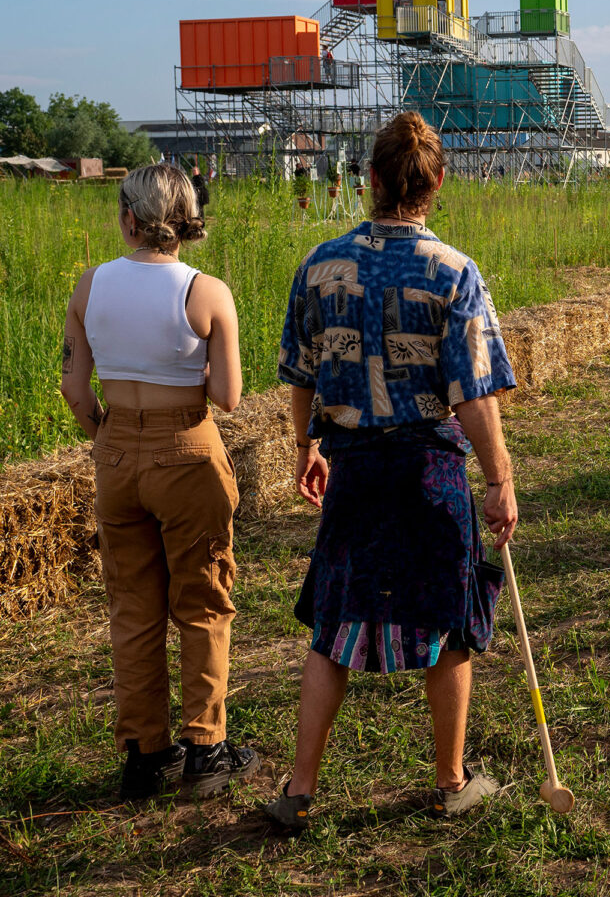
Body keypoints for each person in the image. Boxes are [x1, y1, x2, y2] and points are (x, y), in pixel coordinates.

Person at [267, 112, 518, 832]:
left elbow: (300, 373)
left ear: (369, 179)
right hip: (428, 470)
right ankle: (451, 780)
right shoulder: (454, 272)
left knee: (331, 623)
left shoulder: (319, 265)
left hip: (354, 467)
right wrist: (498, 478)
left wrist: (305, 445)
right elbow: (471, 393)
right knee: (452, 621)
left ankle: (299, 791)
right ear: (437, 182)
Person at [60, 163, 258, 802]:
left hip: (117, 449)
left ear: (129, 219)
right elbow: (228, 397)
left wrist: (109, 436)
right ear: (187, 221)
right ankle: (206, 747)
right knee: (201, 600)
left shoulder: (91, 286)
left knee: (133, 605)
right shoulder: (206, 291)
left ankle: (145, 753)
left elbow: (73, 385)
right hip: (187, 447)